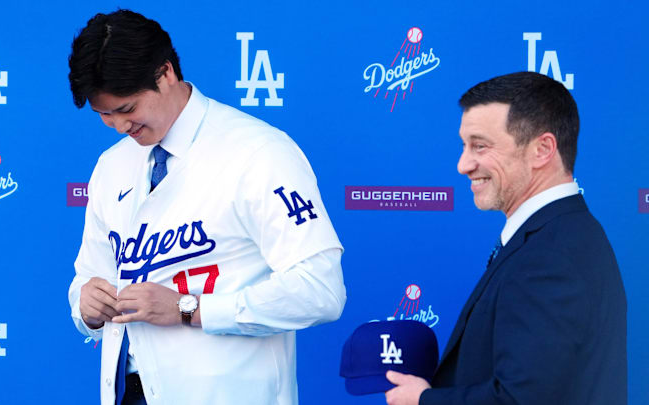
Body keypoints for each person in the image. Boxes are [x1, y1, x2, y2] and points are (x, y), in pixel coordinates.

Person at [66, 9, 346, 405]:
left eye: (126, 110)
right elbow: (88, 276)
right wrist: (87, 304)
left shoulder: (258, 152)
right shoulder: (111, 165)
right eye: (103, 116)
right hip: (128, 392)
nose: (118, 127)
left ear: (165, 74)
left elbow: (320, 290)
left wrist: (188, 308)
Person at [385, 72, 627, 405]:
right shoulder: (559, 235)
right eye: (464, 145)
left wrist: (424, 401)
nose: (462, 165)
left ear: (542, 149)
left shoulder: (551, 254)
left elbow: (521, 400)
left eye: (480, 146)